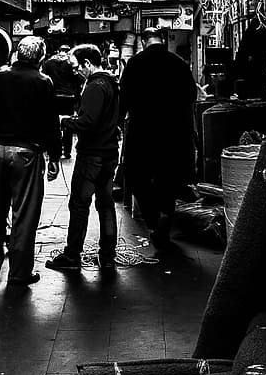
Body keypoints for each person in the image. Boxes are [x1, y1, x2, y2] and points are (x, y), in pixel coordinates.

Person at [0, 35, 62, 286]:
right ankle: (19, 273)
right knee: (24, 214)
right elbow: (50, 123)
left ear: (18, 54)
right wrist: (54, 155)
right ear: (40, 58)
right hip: (25, 153)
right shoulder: (43, 82)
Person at [118, 26, 197, 249]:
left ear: (143, 42)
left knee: (136, 177)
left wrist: (116, 124)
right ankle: (165, 214)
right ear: (162, 40)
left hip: (142, 132)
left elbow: (123, 99)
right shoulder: (179, 63)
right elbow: (191, 96)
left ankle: (153, 220)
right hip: (174, 133)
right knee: (168, 179)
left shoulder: (134, 64)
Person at [46, 44, 120, 274]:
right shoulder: (112, 84)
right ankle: (108, 255)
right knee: (106, 204)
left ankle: (72, 255)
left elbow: (88, 122)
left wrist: (65, 121)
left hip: (92, 155)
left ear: (88, 64)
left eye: (77, 66)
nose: (75, 71)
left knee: (79, 204)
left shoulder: (95, 86)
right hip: (109, 152)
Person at [42, 42, 80, 158]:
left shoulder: (49, 62)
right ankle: (67, 151)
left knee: (52, 122)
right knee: (68, 123)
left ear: (58, 51)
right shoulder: (71, 63)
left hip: (54, 96)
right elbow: (77, 79)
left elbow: (44, 77)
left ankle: (52, 148)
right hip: (68, 97)